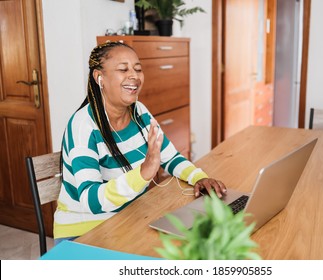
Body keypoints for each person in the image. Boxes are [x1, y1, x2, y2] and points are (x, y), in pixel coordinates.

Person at [54, 41, 227, 243]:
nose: (134, 76)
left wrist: (198, 178)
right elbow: (91, 200)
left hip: (131, 216)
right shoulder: (82, 125)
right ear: (99, 77)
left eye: (138, 69)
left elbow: (170, 157)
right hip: (85, 230)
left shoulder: (140, 112)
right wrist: (144, 172)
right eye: (123, 69)